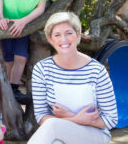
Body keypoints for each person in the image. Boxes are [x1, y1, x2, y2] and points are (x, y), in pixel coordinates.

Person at [29, 12, 117, 144]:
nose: (63, 39)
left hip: (95, 134)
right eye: (57, 35)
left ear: (78, 34)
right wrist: (76, 119)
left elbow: (111, 119)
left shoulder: (97, 71)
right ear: (50, 39)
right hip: (59, 131)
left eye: (69, 33)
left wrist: (69, 117)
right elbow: (41, 116)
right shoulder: (42, 69)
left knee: (52, 125)